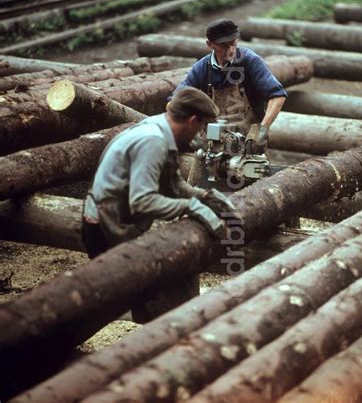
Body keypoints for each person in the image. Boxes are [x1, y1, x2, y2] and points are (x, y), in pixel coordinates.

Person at [82, 87, 238, 322]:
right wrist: (189, 207)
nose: (201, 133)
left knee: (153, 293)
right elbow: (142, 201)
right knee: (142, 296)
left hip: (118, 221)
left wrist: (204, 197)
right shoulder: (153, 141)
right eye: (202, 126)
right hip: (106, 228)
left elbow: (173, 185)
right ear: (193, 120)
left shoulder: (161, 130)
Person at [173, 18, 287, 185]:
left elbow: (278, 95)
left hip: (248, 145)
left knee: (257, 195)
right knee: (198, 192)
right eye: (225, 46)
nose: (231, 50)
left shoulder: (249, 61)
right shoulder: (202, 68)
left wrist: (263, 129)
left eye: (233, 43)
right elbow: (174, 103)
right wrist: (190, 132)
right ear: (210, 44)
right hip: (211, 148)